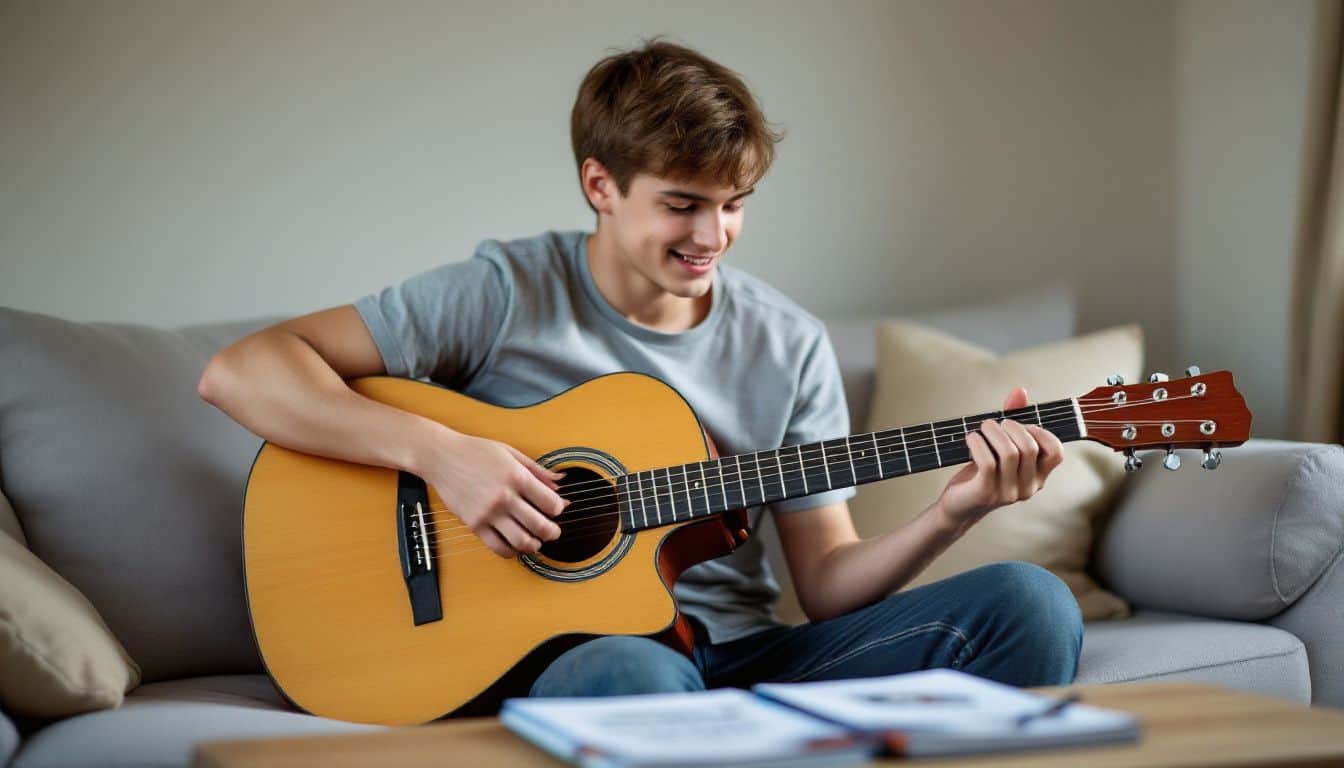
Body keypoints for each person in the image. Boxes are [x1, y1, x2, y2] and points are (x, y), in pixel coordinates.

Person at [198, 38, 1082, 703]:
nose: (712, 238)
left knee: (1030, 606)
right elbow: (243, 372)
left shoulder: (788, 342)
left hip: (745, 658)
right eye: (682, 205)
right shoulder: (506, 290)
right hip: (578, 654)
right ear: (600, 184)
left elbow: (826, 588)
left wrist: (953, 512)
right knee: (636, 677)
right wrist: (443, 455)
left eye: (734, 205)